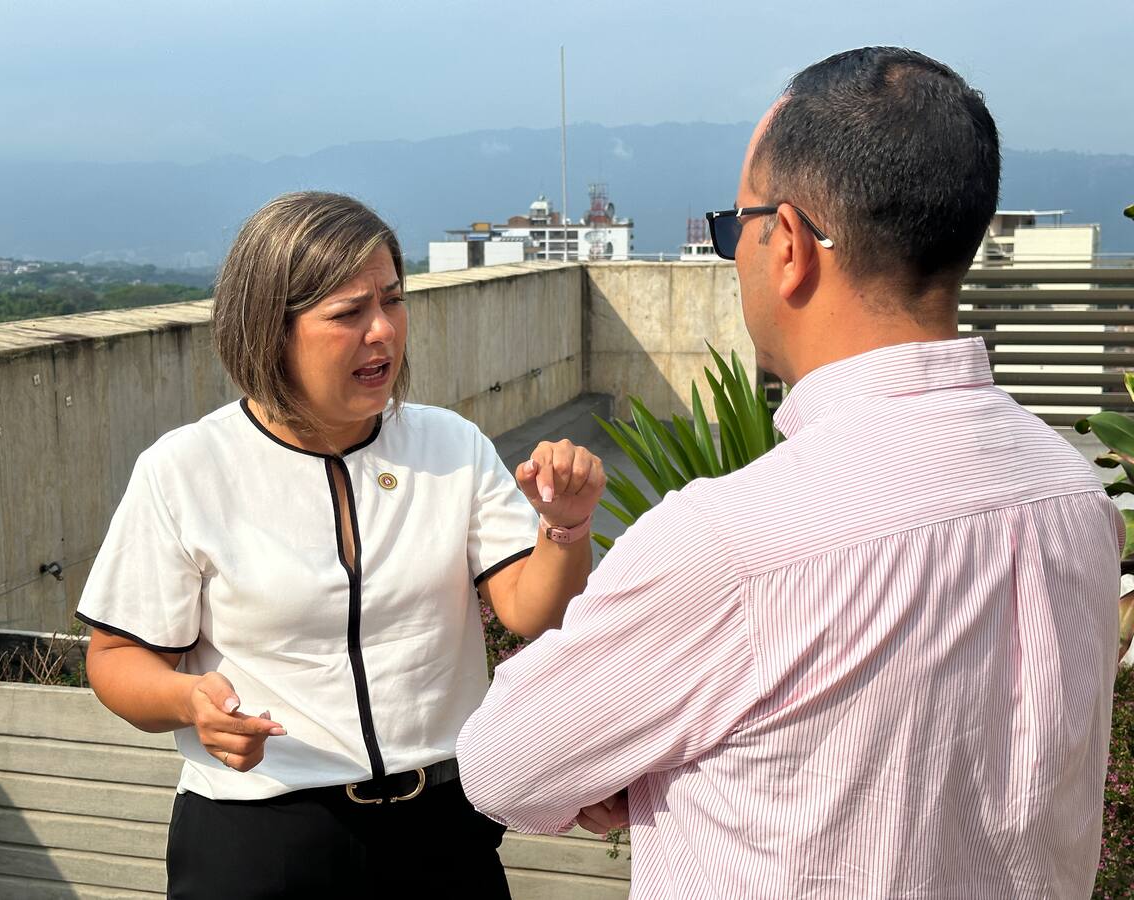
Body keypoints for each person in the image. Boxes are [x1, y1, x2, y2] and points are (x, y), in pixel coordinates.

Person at [457, 46, 1125, 898]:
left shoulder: (731, 544)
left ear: (792, 248)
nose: (733, 252)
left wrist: (641, 772)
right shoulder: (1073, 494)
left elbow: (501, 765)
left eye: (736, 226)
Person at [75, 192, 604, 898]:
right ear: (272, 329)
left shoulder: (451, 445)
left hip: (442, 832)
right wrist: (187, 699)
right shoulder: (186, 470)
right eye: (349, 313)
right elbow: (115, 657)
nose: (382, 331)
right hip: (259, 836)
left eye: (393, 300)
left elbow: (528, 610)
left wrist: (563, 527)